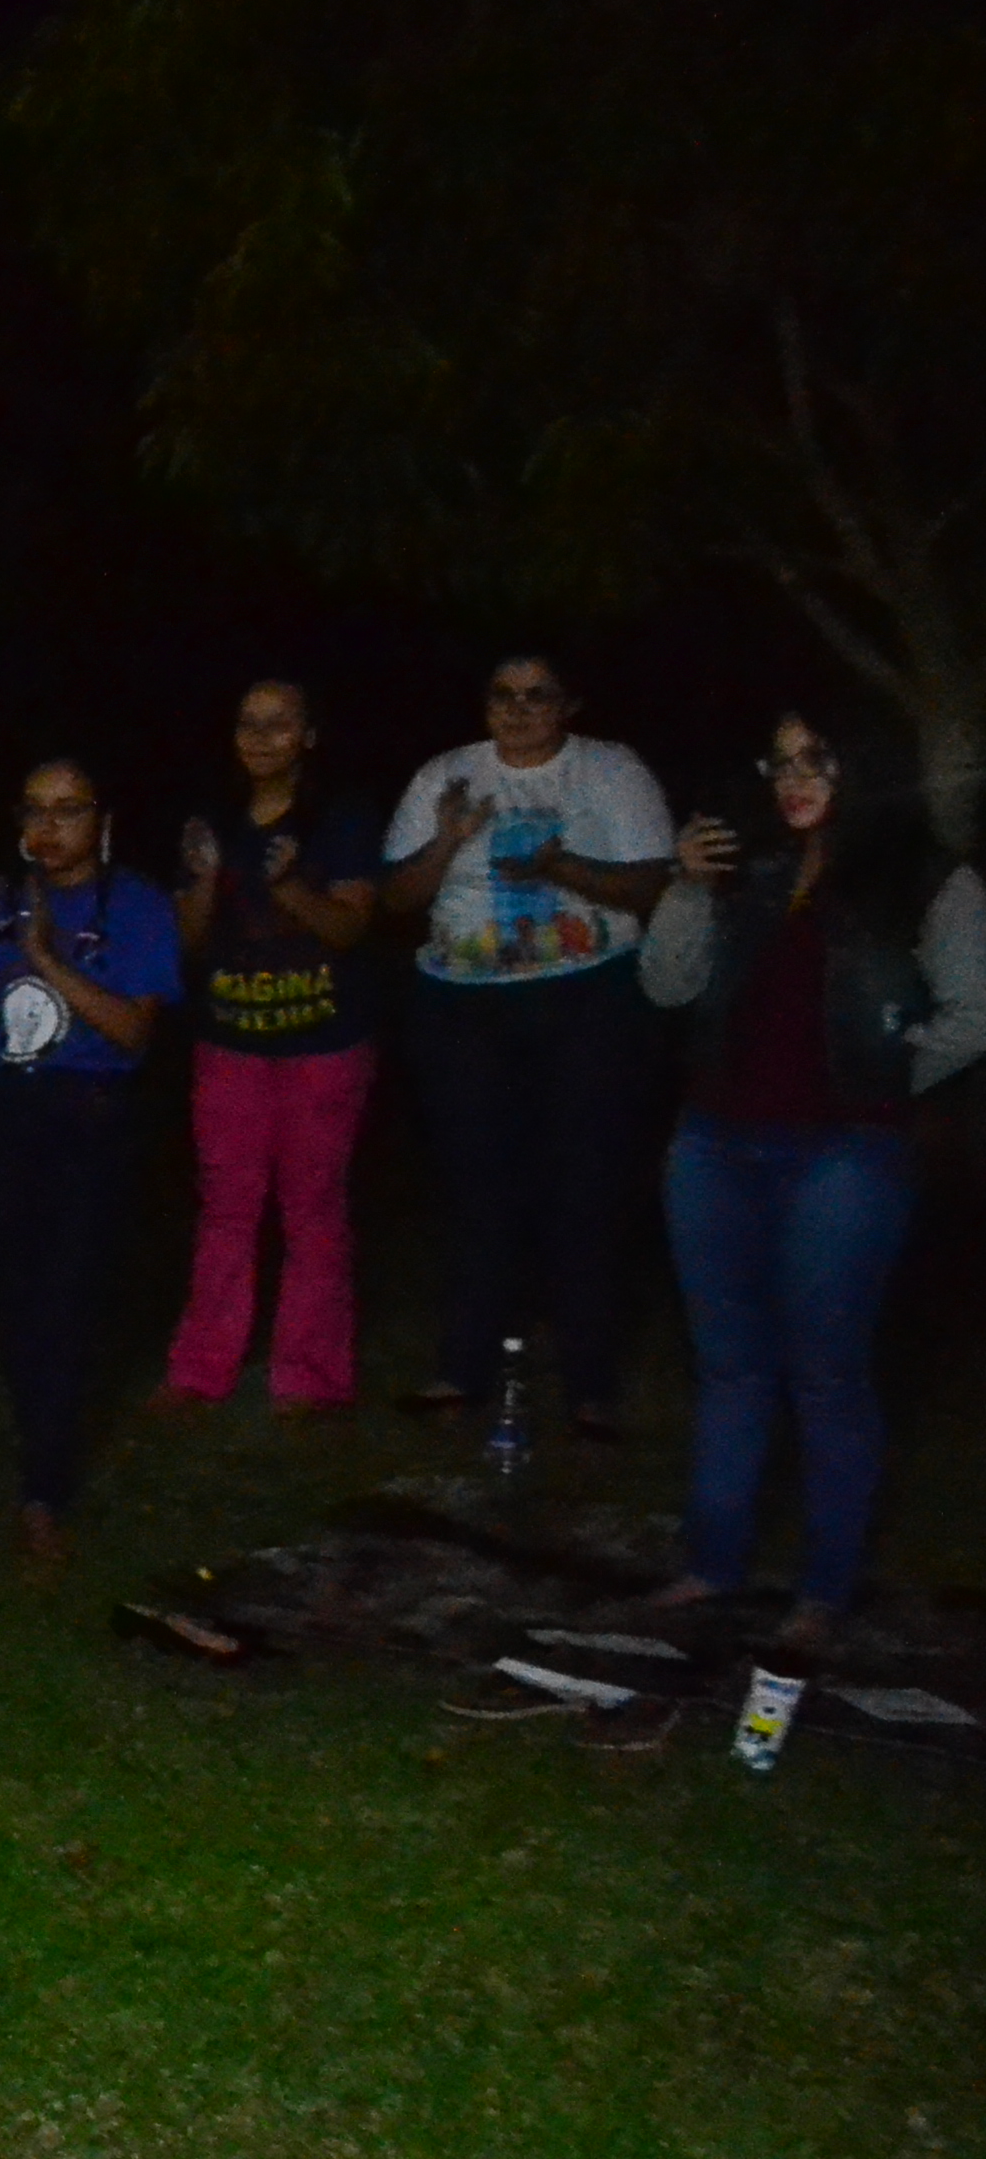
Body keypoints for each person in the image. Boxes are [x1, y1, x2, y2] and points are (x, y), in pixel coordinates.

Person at [637, 709, 986, 1648]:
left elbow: (975, 1007)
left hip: (845, 1155)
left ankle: (823, 1590)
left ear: (863, 767)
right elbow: (666, 987)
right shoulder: (745, 868)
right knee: (730, 1366)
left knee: (827, 1371)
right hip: (714, 1143)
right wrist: (682, 887)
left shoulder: (926, 879)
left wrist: (884, 1074)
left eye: (817, 761)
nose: (793, 779)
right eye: (781, 762)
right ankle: (712, 1566)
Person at [374, 655, 675, 1433]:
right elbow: (397, 897)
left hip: (585, 997)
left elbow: (651, 885)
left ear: (568, 704)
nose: (518, 710)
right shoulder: (446, 774)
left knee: (584, 1186)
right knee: (477, 1188)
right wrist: (446, 839)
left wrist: (559, 865)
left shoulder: (610, 772)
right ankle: (461, 1369)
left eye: (537, 696)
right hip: (462, 1004)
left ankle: (589, 1383)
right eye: (502, 695)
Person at [0, 761, 182, 1561]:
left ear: (101, 820)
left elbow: (134, 1032)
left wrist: (44, 957)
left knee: (73, 1292)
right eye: (34, 811)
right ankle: (37, 1445)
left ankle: (46, 1481)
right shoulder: (2, 897)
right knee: (15, 1291)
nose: (48, 829)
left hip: (93, 1113)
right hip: (8, 1110)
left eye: (67, 811)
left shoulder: (140, 905)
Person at [156, 680, 387, 1416]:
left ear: (309, 735)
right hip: (230, 1044)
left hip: (324, 1045)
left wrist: (288, 887)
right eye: (247, 723)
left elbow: (351, 928)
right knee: (226, 1206)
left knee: (313, 1206)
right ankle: (201, 1369)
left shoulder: (342, 819)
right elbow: (184, 944)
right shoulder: (212, 821)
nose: (259, 738)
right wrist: (197, 884)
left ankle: (310, 1376)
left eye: (278, 724)